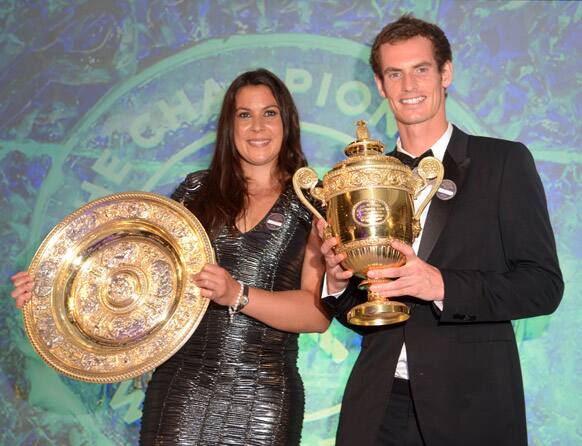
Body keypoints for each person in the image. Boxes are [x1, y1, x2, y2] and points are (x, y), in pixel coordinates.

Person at [11, 68, 331, 446]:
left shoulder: (315, 200)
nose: (257, 126)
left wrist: (237, 295)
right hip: (181, 391)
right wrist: (49, 291)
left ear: (287, 122)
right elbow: (133, 276)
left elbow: (316, 313)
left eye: (269, 113)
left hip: (264, 399)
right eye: (244, 114)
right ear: (229, 125)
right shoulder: (195, 191)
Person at [318, 15, 563, 446]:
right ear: (380, 84)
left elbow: (542, 286)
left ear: (445, 73)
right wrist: (338, 286)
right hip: (378, 408)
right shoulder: (361, 181)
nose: (408, 85)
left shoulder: (502, 163)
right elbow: (367, 313)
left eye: (421, 69)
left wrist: (440, 284)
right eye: (395, 73)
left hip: (472, 406)